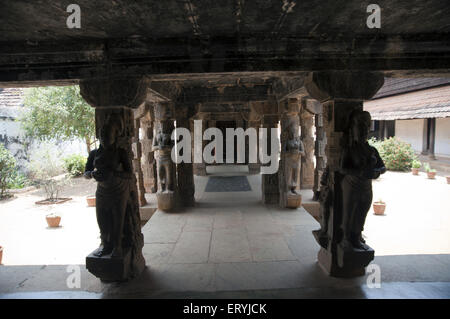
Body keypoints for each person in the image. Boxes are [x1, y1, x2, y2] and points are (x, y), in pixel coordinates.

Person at [339, 109, 386, 251]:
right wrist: (359, 172)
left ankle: (356, 236)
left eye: (366, 128)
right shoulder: (349, 150)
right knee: (349, 212)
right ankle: (346, 238)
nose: (364, 131)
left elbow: (382, 167)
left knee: (362, 212)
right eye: (360, 128)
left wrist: (376, 172)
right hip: (351, 185)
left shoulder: (371, 150)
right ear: (353, 130)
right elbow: (342, 168)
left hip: (366, 186)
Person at [91, 114, 133, 258]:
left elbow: (129, 174)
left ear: (115, 136)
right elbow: (86, 172)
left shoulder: (120, 153)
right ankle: (105, 244)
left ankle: (117, 246)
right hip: (102, 191)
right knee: (102, 220)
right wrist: (91, 174)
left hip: (118, 190)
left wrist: (114, 174)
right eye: (102, 136)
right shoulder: (94, 153)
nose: (104, 139)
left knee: (117, 220)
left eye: (108, 135)